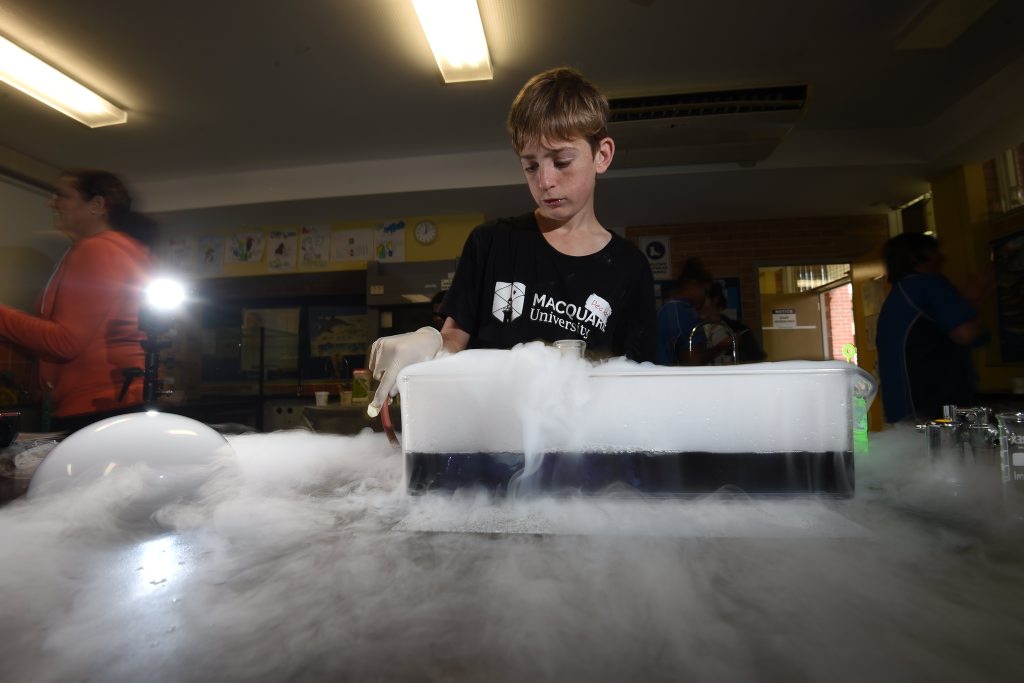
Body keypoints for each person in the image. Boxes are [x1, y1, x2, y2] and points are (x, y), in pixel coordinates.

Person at [367, 67, 657, 417]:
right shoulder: (493, 243)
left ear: (602, 155)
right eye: (530, 166)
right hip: (488, 435)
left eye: (562, 161)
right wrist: (429, 342)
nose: (545, 181)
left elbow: (637, 382)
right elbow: (454, 340)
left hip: (579, 442)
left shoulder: (629, 267)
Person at [0, 169, 154, 432]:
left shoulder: (97, 249)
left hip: (95, 406)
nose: (51, 203)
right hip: (114, 401)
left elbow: (65, 341)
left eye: (62, 195)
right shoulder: (125, 249)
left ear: (97, 205)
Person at [876, 232, 991, 424]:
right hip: (933, 409)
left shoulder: (900, 294)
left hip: (904, 411)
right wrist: (973, 300)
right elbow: (966, 333)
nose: (942, 257)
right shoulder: (927, 285)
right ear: (915, 256)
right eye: (933, 251)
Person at [655, 258, 713, 365]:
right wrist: (721, 346)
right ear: (693, 284)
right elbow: (693, 361)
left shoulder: (666, 310)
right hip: (675, 379)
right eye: (704, 291)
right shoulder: (683, 313)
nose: (705, 297)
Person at [698, 281, 765, 364]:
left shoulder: (738, 329)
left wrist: (737, 363)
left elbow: (757, 359)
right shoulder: (693, 329)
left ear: (715, 300)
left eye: (701, 301)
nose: (697, 306)